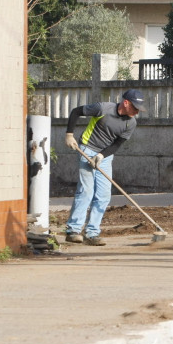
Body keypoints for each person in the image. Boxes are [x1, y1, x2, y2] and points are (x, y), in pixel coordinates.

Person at [64, 89, 146, 246]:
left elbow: (117, 144)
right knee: (86, 190)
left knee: (103, 195)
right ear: (126, 102)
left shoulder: (131, 122)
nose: (136, 112)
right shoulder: (103, 108)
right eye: (135, 108)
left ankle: (92, 233)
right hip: (86, 149)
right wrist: (69, 134)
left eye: (139, 110)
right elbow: (76, 112)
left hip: (105, 156)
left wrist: (101, 156)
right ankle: (73, 230)